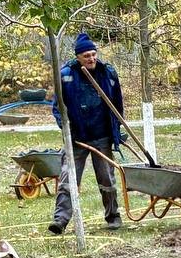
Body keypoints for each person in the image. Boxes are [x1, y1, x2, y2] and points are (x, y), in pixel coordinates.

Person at [49, 32, 124, 234]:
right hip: (76, 138)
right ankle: (60, 220)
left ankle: (113, 216)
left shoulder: (107, 72)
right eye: (86, 56)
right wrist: (65, 128)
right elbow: (57, 107)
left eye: (93, 54)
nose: (91, 59)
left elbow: (117, 103)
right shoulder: (66, 75)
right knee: (68, 178)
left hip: (102, 135)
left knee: (107, 178)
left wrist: (116, 128)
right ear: (78, 57)